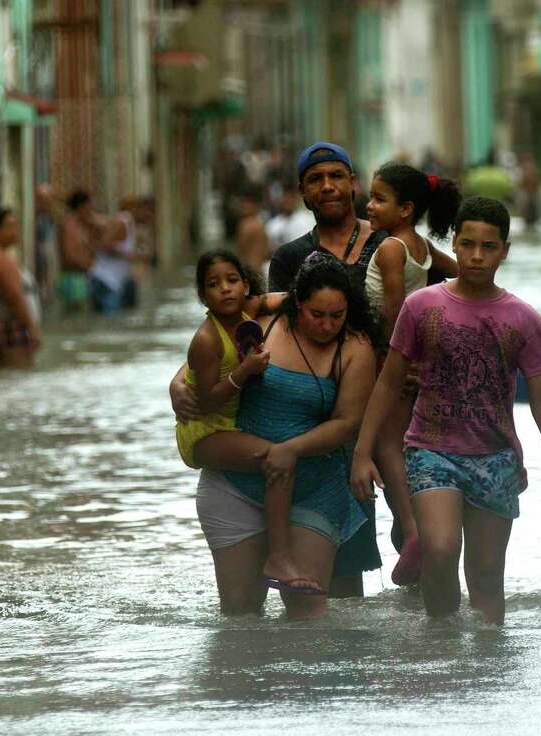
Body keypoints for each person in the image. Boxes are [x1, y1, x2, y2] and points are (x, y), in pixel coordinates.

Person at [350, 197, 541, 625]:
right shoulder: (421, 307)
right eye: (469, 244)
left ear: (505, 251)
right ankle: (442, 643)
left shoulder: (521, 317)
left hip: (495, 457)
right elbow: (388, 383)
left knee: (487, 579)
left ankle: (486, 673)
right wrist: (362, 453)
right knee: (439, 550)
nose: (477, 256)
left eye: (489, 247)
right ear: (453, 244)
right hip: (430, 450)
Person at [261, 141, 455, 596]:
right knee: (342, 557)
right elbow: (274, 330)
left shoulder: (392, 240)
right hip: (324, 416)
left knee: (418, 520)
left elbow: (456, 281)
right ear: (303, 193)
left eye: (336, 176)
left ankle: (429, 641)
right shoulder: (291, 258)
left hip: (397, 394)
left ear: (353, 183)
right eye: (315, 179)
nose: (327, 186)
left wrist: (417, 358)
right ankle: (348, 651)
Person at [193, 253, 379, 618]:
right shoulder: (260, 320)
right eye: (317, 315)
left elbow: (346, 423)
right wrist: (176, 385)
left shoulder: (356, 347)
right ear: (296, 303)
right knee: (240, 615)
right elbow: (208, 356)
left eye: (336, 316)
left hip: (315, 489)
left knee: (307, 614)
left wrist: (289, 450)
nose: (327, 326)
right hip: (237, 485)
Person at [176, 249, 326, 592]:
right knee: (278, 458)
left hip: (231, 425)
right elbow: (207, 400)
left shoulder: (250, 309)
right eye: (214, 285)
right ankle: (278, 556)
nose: (225, 289)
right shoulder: (206, 339)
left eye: (232, 280)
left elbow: (287, 299)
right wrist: (244, 372)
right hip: (204, 430)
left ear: (246, 285)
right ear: (202, 295)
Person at [360, 162, 462, 585]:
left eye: (378, 199)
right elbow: (456, 270)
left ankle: (414, 528)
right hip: (418, 356)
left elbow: (394, 309)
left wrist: (389, 361)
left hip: (394, 357)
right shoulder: (418, 246)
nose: (368, 205)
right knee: (402, 444)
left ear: (405, 209)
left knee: (385, 444)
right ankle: (417, 527)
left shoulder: (389, 249)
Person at [0, 209, 42, 368]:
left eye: (16, 226)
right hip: (9, 324)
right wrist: (32, 328)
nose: (15, 231)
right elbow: (14, 297)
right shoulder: (4, 261)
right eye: (10, 226)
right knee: (18, 378)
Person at [89, 206, 137, 314]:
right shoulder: (124, 220)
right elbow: (104, 245)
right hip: (107, 282)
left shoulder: (127, 223)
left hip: (109, 283)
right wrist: (130, 256)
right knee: (110, 323)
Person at [57, 190, 99, 313]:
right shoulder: (68, 226)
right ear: (81, 207)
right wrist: (91, 267)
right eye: (89, 206)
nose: (92, 209)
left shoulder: (79, 225)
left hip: (80, 278)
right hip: (72, 279)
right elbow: (69, 256)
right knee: (76, 317)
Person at [265, 184, 316, 250]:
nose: (287, 201)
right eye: (284, 198)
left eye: (290, 198)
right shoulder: (272, 224)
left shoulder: (308, 219)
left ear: (295, 199)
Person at [232, 186, 270, 273]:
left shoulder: (246, 224)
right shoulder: (261, 224)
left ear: (256, 205)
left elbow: (239, 252)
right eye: (243, 202)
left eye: (248, 202)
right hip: (258, 272)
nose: (244, 205)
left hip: (248, 273)